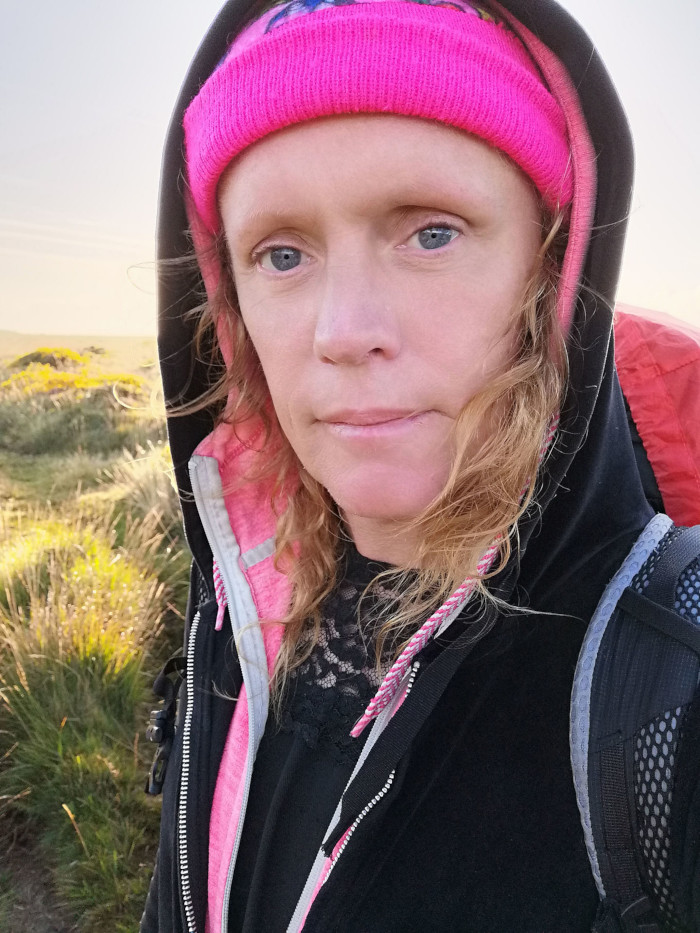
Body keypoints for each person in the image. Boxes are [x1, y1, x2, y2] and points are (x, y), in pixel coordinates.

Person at [141, 0, 695, 931]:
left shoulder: (669, 682)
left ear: (552, 274)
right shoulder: (234, 597)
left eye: (431, 232)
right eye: (281, 254)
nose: (343, 330)